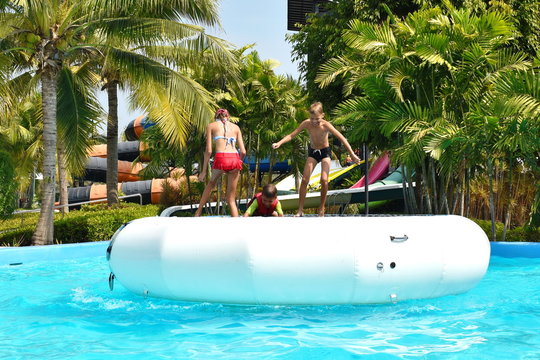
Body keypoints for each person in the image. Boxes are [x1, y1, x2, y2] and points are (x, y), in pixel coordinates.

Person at [272, 102, 361, 216]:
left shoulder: (326, 125)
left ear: (322, 115)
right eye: (312, 118)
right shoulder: (307, 124)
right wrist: (279, 143)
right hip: (313, 152)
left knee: (324, 180)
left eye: (317, 119)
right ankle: (300, 210)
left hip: (325, 152)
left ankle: (321, 207)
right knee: (304, 180)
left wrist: (352, 154)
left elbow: (342, 138)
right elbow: (292, 135)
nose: (314, 122)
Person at [195, 108, 246, 217]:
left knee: (211, 184)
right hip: (235, 159)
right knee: (231, 199)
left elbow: (208, 151)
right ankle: (237, 224)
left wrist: (203, 171)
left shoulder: (211, 126)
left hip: (221, 157)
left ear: (216, 117)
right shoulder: (236, 127)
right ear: (228, 116)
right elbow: (243, 151)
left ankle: (198, 212)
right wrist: (239, 163)